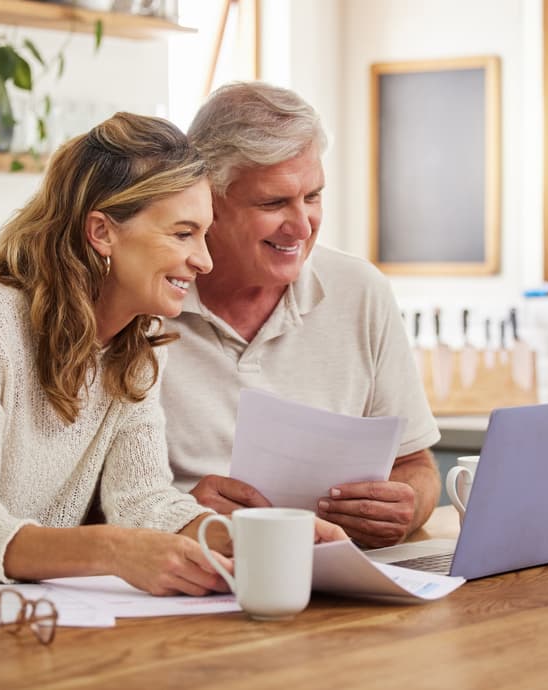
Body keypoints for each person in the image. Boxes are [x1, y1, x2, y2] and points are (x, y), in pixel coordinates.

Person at [0, 113, 342, 602]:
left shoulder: (137, 343)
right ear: (102, 231)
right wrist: (114, 550)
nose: (202, 260)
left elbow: (143, 501)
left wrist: (259, 534)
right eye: (182, 234)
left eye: (203, 235)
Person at [162, 83, 442, 549]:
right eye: (274, 203)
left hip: (337, 583)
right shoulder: (146, 299)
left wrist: (406, 507)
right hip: (191, 582)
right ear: (207, 199)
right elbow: (76, 503)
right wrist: (176, 515)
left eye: (312, 196)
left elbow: (417, 467)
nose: (302, 225)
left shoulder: (360, 290)